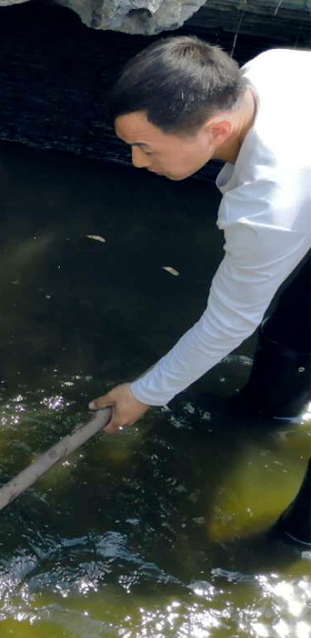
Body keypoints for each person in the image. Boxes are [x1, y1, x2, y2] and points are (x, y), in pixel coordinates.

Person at [87, 36, 311, 546]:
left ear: (217, 130)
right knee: (299, 325)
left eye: (147, 148)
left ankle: (293, 545)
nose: (138, 163)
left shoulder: (268, 208)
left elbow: (230, 322)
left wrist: (143, 393)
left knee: (299, 534)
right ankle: (265, 412)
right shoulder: (268, 71)